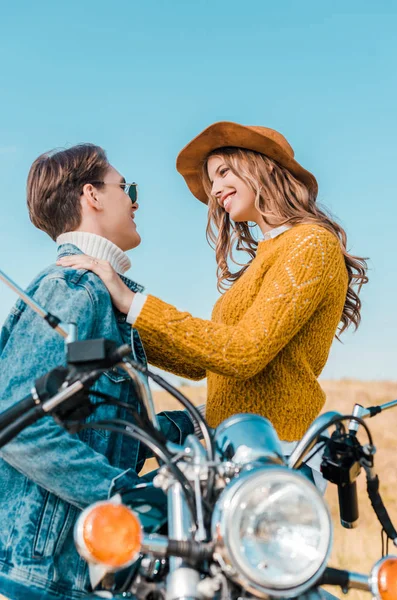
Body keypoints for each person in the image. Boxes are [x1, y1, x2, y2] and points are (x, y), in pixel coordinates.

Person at [58, 122, 368, 448]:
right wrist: (118, 320)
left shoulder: (310, 243)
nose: (215, 189)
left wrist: (132, 301)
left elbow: (243, 353)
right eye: (212, 181)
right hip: (233, 448)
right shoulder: (267, 256)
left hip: (278, 450)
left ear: (260, 166)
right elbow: (198, 364)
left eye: (223, 172)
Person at [0, 144, 197, 600]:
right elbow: (17, 424)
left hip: (70, 575)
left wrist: (188, 426)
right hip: (37, 576)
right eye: (125, 188)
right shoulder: (72, 287)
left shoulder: (98, 293)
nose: (134, 200)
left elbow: (97, 429)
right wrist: (121, 493)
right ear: (92, 195)